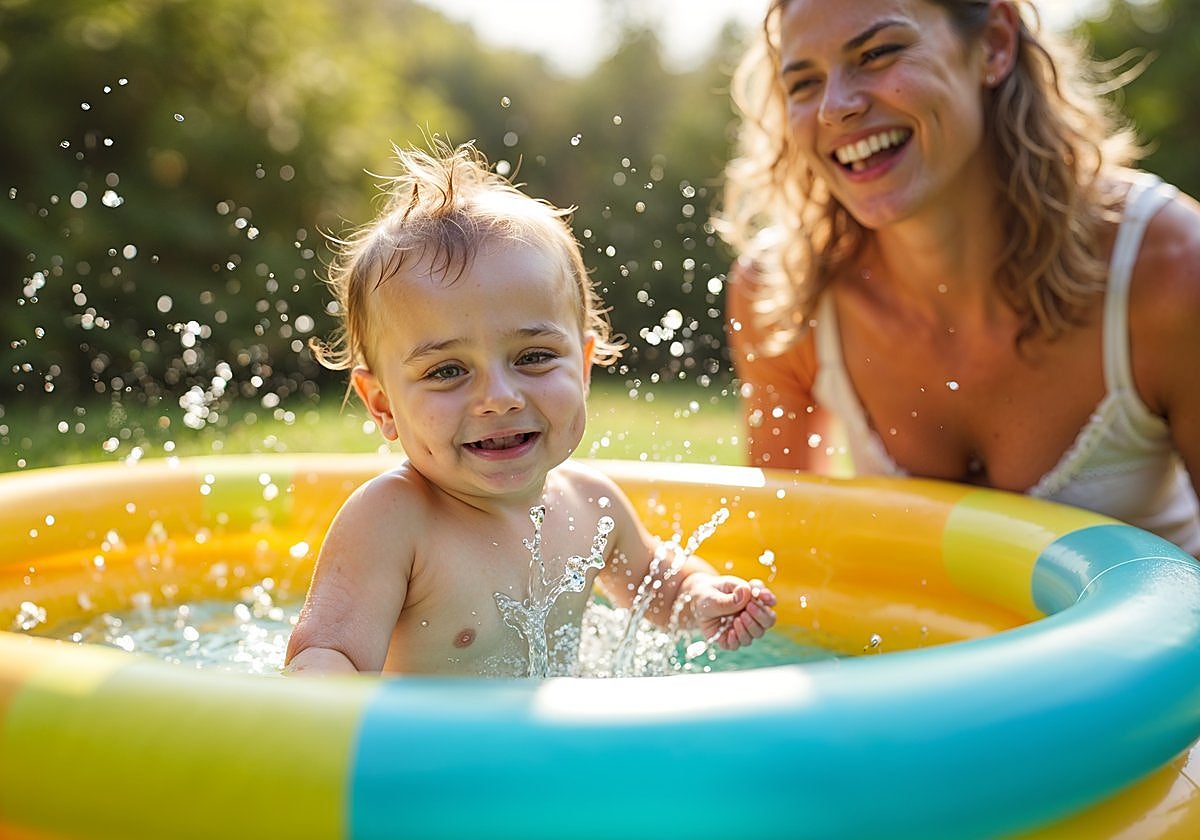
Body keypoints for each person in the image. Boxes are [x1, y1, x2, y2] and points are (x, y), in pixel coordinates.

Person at [716, 0, 1200, 556]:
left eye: (877, 54)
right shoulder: (780, 298)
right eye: (803, 83)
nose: (836, 107)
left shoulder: (1168, 268)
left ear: (994, 43)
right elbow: (783, 563)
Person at [285, 140, 777, 676]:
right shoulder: (392, 520)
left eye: (534, 357)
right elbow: (326, 652)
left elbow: (654, 579)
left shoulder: (592, 504)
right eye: (447, 370)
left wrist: (700, 596)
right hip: (435, 759)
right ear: (382, 406)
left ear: (584, 368)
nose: (499, 397)